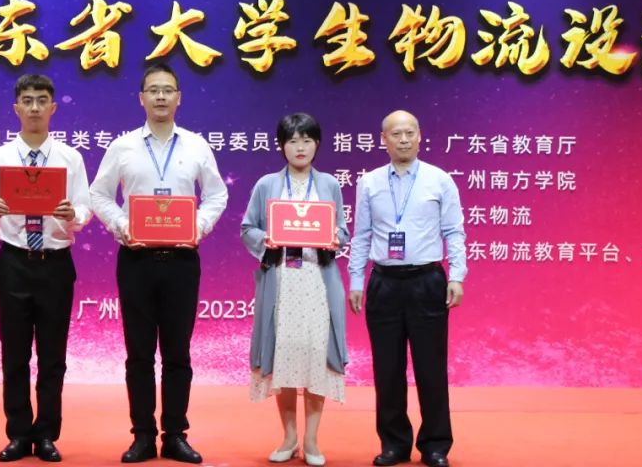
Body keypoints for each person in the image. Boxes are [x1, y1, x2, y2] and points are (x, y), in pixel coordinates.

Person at [89, 62, 228, 465]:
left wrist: (198, 227)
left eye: (168, 90)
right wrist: (122, 225)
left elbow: (217, 195)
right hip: (137, 260)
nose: (161, 96)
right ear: (142, 98)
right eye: (154, 90)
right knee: (138, 354)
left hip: (182, 261)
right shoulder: (123, 146)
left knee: (177, 353)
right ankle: (143, 436)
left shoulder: (197, 146)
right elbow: (99, 194)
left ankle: (176, 435)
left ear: (179, 98)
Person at [0, 74, 92, 463]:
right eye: (28, 100)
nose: (35, 107)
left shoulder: (70, 158)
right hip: (13, 262)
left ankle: (47, 435)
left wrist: (74, 214)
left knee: (53, 357)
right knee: (15, 354)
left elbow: (85, 209)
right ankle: (19, 434)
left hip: (55, 263)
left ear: (53, 108)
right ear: (16, 108)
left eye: (42, 100)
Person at [348, 110, 466, 467]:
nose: (403, 139)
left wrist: (457, 275)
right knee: (387, 369)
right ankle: (394, 444)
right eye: (396, 134)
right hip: (384, 282)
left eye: (409, 133)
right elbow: (362, 235)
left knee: (431, 368)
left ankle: (435, 445)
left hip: (427, 282)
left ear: (419, 136)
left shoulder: (439, 179)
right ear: (382, 139)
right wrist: (357, 280)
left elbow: (454, 231)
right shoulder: (369, 182)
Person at [241, 113, 348, 467]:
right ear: (281, 146)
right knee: (283, 358)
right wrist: (266, 240)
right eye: (292, 140)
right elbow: (247, 229)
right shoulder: (267, 185)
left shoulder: (329, 184)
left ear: (317, 144)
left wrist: (335, 239)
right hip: (282, 281)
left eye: (306, 139)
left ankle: (312, 441)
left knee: (316, 357)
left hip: (318, 280)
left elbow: (343, 230)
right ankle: (289, 437)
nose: (300, 147)